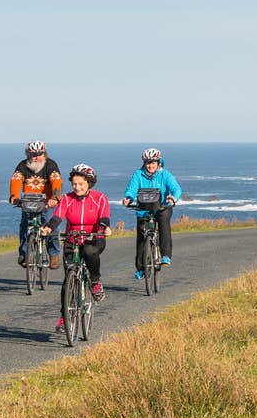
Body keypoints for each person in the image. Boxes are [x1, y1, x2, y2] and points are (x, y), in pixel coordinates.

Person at [41, 163, 112, 330]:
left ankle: (95, 282)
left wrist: (104, 229)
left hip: (93, 239)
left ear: (89, 183)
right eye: (74, 184)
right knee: (68, 280)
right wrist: (48, 228)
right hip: (72, 240)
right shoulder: (67, 198)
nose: (77, 187)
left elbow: (104, 218)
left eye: (80, 184)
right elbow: (57, 216)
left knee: (89, 251)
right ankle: (65, 317)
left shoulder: (100, 198)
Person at [122, 147, 182, 279]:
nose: (150, 166)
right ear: (144, 163)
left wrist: (173, 198)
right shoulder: (138, 174)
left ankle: (165, 255)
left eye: (153, 162)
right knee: (142, 237)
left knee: (163, 222)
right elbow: (131, 189)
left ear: (158, 162)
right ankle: (140, 269)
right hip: (143, 209)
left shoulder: (165, 174)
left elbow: (176, 188)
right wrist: (128, 198)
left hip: (162, 208)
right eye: (148, 163)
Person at [9, 140, 63, 270]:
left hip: (47, 203)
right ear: (28, 154)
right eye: (33, 154)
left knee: (51, 225)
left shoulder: (51, 165)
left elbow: (56, 180)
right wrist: (14, 196)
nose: (36, 157)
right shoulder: (22, 165)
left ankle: (54, 254)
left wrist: (55, 197)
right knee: (24, 226)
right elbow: (16, 180)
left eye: (39, 154)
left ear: (44, 153)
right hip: (28, 202)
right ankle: (23, 254)